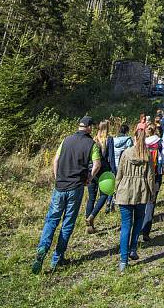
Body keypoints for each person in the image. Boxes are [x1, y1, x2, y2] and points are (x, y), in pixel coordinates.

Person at [32, 116, 100, 274]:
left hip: (60, 187)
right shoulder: (91, 144)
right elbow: (97, 164)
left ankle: (42, 247)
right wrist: (89, 178)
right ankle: (57, 258)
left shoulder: (66, 140)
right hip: (76, 188)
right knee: (68, 223)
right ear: (89, 127)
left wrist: (58, 177)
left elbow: (55, 160)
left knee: (51, 220)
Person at [115, 129, 155, 273]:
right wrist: (152, 193)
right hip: (141, 191)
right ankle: (133, 248)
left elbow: (119, 173)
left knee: (126, 225)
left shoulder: (126, 153)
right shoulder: (147, 155)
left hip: (125, 191)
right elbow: (150, 177)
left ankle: (123, 261)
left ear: (134, 138)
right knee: (138, 220)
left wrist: (116, 189)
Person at [141, 123, 164, 243]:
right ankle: (146, 231)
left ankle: (138, 227)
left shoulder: (142, 142)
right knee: (151, 202)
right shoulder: (159, 142)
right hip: (156, 175)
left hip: (142, 175)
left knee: (141, 200)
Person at [85, 120, 114, 233]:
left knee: (91, 197)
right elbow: (110, 157)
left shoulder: (93, 139)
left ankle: (89, 226)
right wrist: (113, 171)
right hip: (104, 171)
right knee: (105, 194)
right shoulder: (109, 139)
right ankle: (92, 215)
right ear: (108, 128)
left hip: (92, 170)